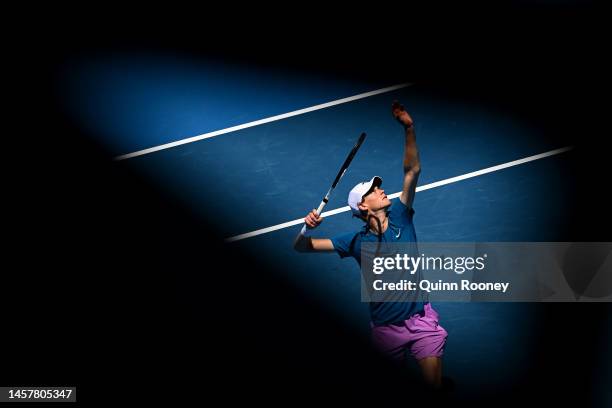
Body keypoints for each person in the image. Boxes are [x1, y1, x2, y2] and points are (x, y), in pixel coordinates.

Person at [293, 101, 447, 389]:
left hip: (421, 320)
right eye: (373, 190)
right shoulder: (353, 242)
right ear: (362, 205)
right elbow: (302, 247)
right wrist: (306, 228)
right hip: (386, 331)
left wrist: (409, 128)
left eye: (378, 186)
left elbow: (412, 171)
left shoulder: (401, 213)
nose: (380, 189)